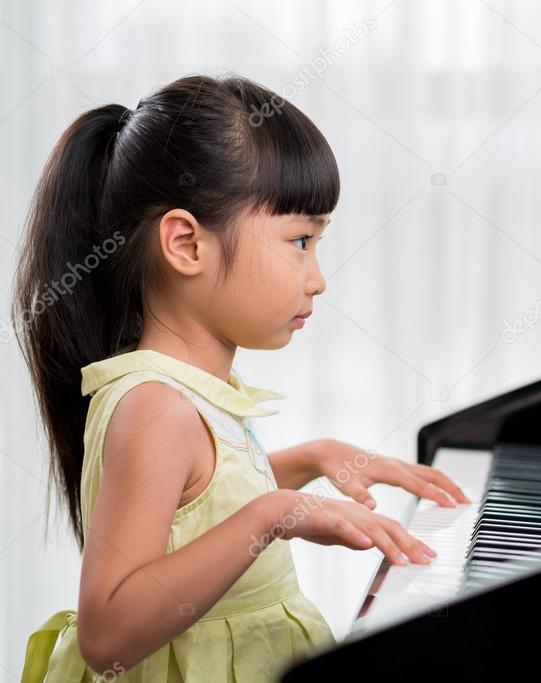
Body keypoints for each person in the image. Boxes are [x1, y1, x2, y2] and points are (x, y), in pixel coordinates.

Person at [13, 73, 470, 682]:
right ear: (186, 244)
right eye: (300, 240)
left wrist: (311, 457)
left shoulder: (187, 393)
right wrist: (274, 514)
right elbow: (108, 634)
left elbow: (195, 510)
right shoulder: (154, 407)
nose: (318, 278)